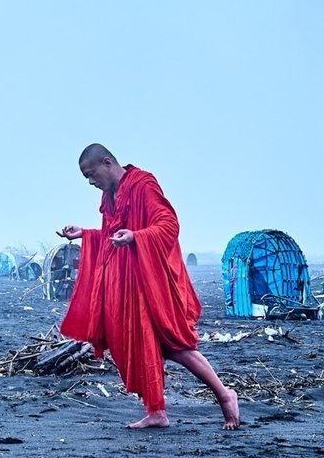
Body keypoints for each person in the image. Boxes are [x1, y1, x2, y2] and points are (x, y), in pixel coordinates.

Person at [59, 144, 240, 430]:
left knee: (173, 345)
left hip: (150, 280)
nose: (91, 183)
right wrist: (85, 234)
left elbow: (169, 224)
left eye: (91, 175)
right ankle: (156, 410)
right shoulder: (109, 196)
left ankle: (224, 395)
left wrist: (136, 237)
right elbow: (110, 234)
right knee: (140, 343)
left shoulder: (143, 184)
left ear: (107, 162)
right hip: (125, 283)